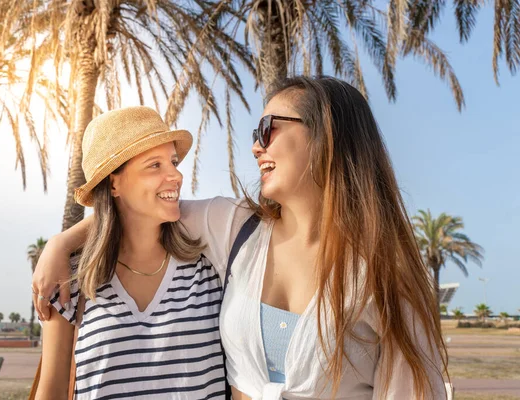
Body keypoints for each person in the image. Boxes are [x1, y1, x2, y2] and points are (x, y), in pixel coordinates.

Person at [34, 76, 448, 399]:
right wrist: (61, 244)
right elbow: (135, 209)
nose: (254, 146)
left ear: (327, 136)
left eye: (268, 128)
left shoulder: (386, 273)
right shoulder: (234, 227)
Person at [35, 106, 229, 399]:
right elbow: (51, 391)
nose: (175, 175)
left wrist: (59, 242)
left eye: (173, 162)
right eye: (155, 165)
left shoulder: (210, 264)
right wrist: (58, 245)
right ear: (114, 183)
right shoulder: (69, 279)